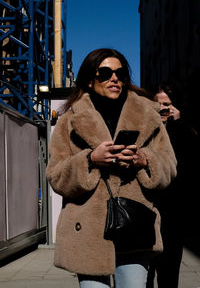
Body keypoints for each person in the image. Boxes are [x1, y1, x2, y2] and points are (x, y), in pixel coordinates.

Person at [46, 48, 177, 288]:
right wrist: (89, 160)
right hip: (87, 231)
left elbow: (169, 167)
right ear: (89, 79)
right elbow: (56, 176)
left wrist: (144, 160)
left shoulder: (149, 115)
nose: (114, 78)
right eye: (105, 72)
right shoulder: (69, 120)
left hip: (135, 226)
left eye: (120, 73)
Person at [146, 82, 198, 288]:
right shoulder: (145, 131)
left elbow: (189, 166)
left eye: (167, 105)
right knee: (144, 277)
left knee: (169, 276)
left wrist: (177, 124)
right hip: (147, 214)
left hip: (174, 216)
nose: (163, 110)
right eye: (159, 105)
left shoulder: (184, 132)